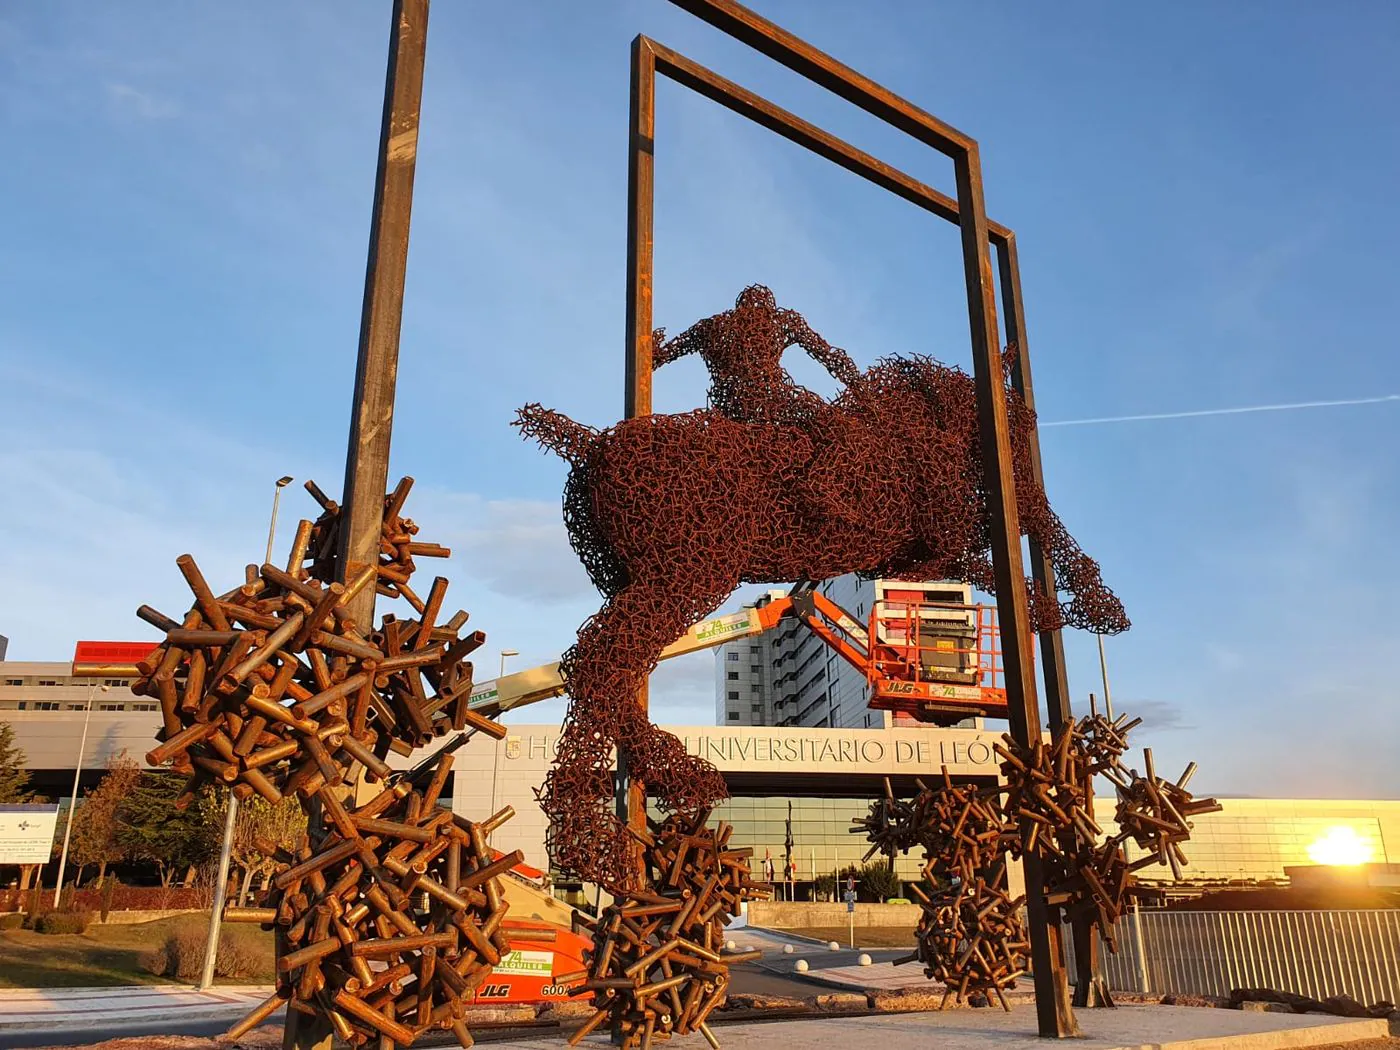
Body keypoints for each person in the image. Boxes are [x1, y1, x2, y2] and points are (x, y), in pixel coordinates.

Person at [652, 285, 866, 426]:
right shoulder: (780, 321)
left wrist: (652, 346)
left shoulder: (710, 327)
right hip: (772, 398)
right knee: (833, 425)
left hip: (730, 408)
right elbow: (830, 356)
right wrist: (863, 393)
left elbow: (661, 357)